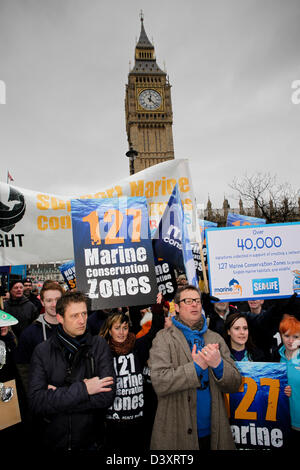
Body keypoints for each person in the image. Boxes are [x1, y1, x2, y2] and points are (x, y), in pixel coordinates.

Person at [149, 284, 242, 450]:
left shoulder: (215, 338)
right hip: (176, 435)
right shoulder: (163, 339)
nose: (194, 305)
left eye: (198, 301)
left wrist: (218, 365)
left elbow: (235, 383)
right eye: (188, 301)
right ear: (176, 307)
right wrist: (197, 367)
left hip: (214, 433)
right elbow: (160, 382)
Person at [28, 291, 115, 451]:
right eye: (74, 316)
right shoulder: (42, 351)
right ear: (60, 318)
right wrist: (85, 389)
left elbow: (106, 396)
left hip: (91, 441)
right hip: (53, 441)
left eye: (84, 313)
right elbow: (36, 402)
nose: (82, 320)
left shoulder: (99, 345)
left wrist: (57, 398)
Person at [100, 304, 164, 452]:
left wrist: (158, 308)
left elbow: (155, 331)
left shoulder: (138, 346)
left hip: (138, 421)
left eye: (125, 327)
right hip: (112, 423)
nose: (122, 333)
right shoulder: (102, 352)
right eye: (117, 328)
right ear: (109, 330)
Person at [15, 281, 65, 393]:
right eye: (49, 300)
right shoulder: (29, 334)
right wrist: (36, 391)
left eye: (58, 300)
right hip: (44, 398)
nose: (54, 304)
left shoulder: (73, 329)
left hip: (73, 396)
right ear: (42, 302)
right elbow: (23, 369)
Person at [272, 314, 300, 447]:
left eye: (296, 337)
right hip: (281, 423)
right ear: (281, 336)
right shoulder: (275, 358)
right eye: (287, 336)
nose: (290, 341)